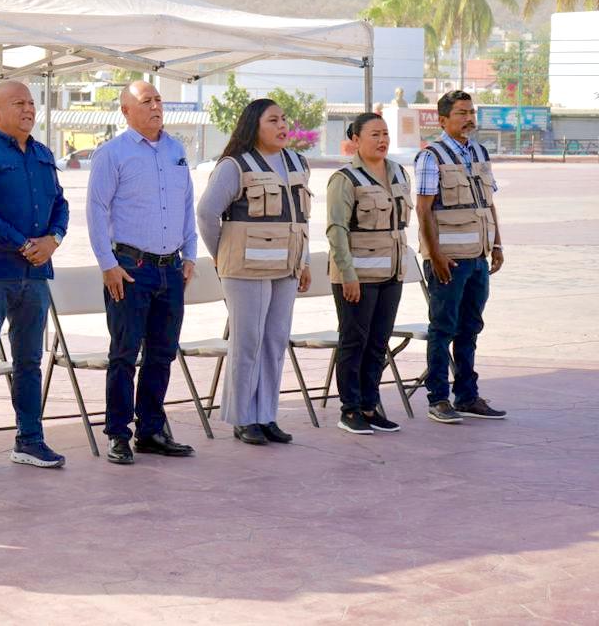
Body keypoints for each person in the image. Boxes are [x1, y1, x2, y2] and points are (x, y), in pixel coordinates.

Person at [0, 81, 69, 474]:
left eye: (31, 103)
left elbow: (60, 204)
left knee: (30, 361)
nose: (28, 109)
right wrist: (22, 244)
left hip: (35, 275)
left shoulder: (42, 153)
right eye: (19, 103)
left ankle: (30, 440)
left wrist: (53, 240)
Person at [86, 81, 197, 465]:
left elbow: (186, 204)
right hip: (130, 269)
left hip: (171, 268)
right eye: (146, 101)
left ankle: (151, 430)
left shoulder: (176, 150)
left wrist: (190, 254)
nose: (155, 106)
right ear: (126, 111)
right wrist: (107, 264)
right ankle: (118, 433)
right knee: (124, 353)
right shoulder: (112, 154)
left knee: (162, 353)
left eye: (158, 100)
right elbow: (96, 210)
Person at [197, 98, 312, 447]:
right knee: (247, 341)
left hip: (286, 267)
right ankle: (242, 417)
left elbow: (301, 219)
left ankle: (266, 415)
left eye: (284, 119)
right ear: (254, 126)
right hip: (245, 269)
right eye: (272, 120)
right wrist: (222, 255)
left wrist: (304, 260)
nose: (282, 126)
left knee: (275, 340)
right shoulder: (235, 165)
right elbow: (206, 213)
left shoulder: (297, 162)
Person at [414, 90, 506, 424]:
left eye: (471, 112)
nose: (469, 119)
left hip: (478, 257)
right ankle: (438, 399)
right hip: (448, 260)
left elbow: (488, 204)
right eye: (461, 113)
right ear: (443, 120)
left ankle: (467, 396)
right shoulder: (431, 157)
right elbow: (423, 209)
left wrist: (497, 245)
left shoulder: (479, 152)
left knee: (470, 328)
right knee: (443, 329)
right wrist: (435, 254)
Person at [326, 113, 411, 436]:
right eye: (374, 134)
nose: (382, 140)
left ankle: (369, 407)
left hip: (391, 272)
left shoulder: (399, 173)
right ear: (356, 140)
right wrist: (348, 274)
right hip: (357, 276)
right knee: (354, 341)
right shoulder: (345, 179)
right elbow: (336, 230)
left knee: (378, 342)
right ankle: (349, 409)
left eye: (385, 133)